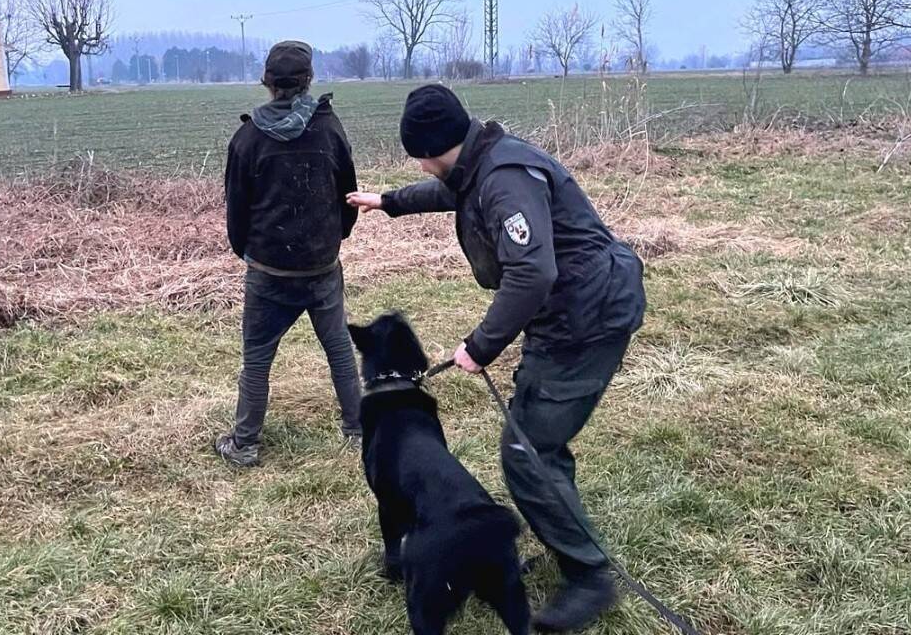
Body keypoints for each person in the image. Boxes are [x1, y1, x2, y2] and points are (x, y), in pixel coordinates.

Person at [347, 84, 646, 632]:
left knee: (526, 450)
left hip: (585, 318)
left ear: (431, 147)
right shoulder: (480, 165)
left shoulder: (504, 180)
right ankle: (562, 542)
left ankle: (590, 576)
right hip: (566, 315)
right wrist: (387, 201)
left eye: (417, 154)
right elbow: (450, 194)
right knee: (537, 441)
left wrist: (480, 346)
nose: (418, 163)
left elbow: (534, 272)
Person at [215, 40, 362, 467]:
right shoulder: (330, 129)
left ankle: (244, 444)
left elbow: (236, 210)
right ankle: (357, 430)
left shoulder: (246, 139)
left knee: (257, 359)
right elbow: (348, 195)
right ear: (308, 81)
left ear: (267, 83)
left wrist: (248, 253)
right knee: (338, 349)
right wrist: (335, 241)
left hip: (268, 270)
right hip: (320, 266)